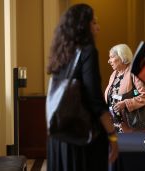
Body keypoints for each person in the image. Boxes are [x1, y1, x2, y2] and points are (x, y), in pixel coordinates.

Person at [46, 4, 118, 171]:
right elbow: (94, 98)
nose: (98, 27)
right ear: (82, 25)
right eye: (93, 23)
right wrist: (112, 135)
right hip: (82, 135)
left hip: (59, 136)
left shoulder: (61, 52)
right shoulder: (87, 51)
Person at [104, 44, 145, 133]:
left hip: (134, 127)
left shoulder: (134, 72)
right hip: (115, 126)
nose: (109, 61)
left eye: (111, 57)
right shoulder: (114, 75)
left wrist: (126, 103)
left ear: (122, 57)